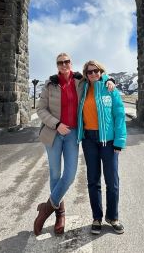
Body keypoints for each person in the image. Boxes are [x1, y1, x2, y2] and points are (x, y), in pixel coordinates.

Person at [34, 53, 115, 236]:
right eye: (60, 63)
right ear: (57, 65)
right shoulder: (49, 84)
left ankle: (46, 209)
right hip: (53, 133)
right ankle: (59, 215)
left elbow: (97, 75)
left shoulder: (80, 81)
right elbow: (41, 109)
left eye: (67, 61)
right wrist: (56, 124)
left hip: (71, 134)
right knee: (55, 175)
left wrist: (111, 79)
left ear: (71, 63)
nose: (64, 65)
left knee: (69, 175)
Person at [77, 60, 127, 235]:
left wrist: (120, 141)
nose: (93, 74)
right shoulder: (83, 89)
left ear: (101, 71)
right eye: (89, 72)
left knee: (112, 181)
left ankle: (112, 217)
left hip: (109, 140)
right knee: (93, 180)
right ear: (86, 74)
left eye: (96, 71)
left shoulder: (110, 88)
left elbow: (119, 114)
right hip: (89, 139)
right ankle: (96, 217)